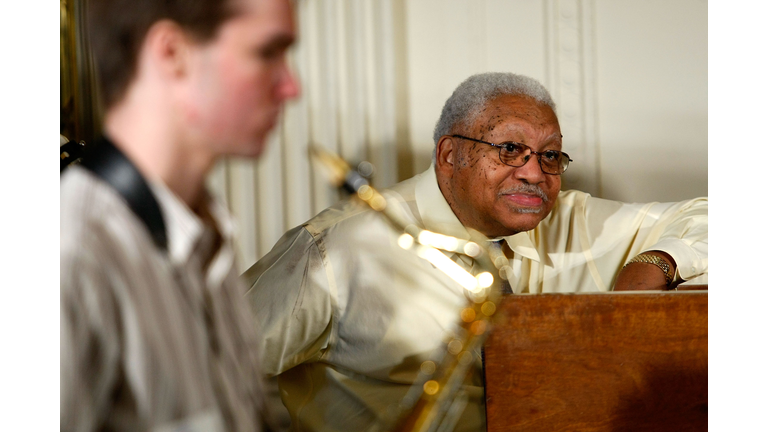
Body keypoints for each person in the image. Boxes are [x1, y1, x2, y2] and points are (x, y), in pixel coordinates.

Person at [243, 72, 707, 431]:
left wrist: (658, 263)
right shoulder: (338, 246)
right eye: (509, 149)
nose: (534, 174)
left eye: (550, 156)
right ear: (449, 155)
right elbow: (202, 370)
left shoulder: (572, 218)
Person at [60, 0, 299, 430]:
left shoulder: (207, 229)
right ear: (172, 53)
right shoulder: (71, 256)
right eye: (267, 52)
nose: (291, 87)